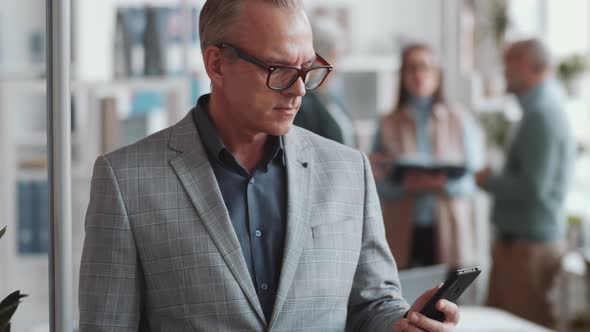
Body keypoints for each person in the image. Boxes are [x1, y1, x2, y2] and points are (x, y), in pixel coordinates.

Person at [78, 1, 461, 331]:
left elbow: (371, 305)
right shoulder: (126, 180)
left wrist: (406, 323)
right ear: (217, 64)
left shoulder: (348, 172)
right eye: (279, 70)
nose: (298, 89)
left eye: (308, 68)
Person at [476, 38, 575, 328]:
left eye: (508, 62)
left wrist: (487, 180)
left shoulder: (542, 114)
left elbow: (533, 188)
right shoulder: (539, 110)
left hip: (527, 251)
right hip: (521, 247)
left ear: (525, 64)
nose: (504, 70)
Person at [370, 43, 483, 270]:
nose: (418, 75)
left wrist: (439, 184)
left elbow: (472, 181)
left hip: (448, 231)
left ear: (437, 74)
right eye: (411, 68)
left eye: (425, 67)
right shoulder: (387, 123)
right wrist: (406, 186)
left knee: (445, 300)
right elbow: (375, 182)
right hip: (402, 230)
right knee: (404, 301)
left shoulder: (460, 120)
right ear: (402, 75)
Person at [293, 17, 357, 147]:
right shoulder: (302, 103)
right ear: (320, 59)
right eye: (336, 57)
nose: (339, 66)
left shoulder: (332, 98)